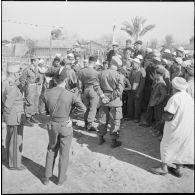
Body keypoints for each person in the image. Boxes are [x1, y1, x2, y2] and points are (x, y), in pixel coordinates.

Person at [41, 70, 86, 186]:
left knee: (51, 150)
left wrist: (50, 115)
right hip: (66, 125)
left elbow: (41, 111)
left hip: (52, 125)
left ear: (54, 80)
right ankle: (60, 179)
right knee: (64, 153)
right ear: (65, 80)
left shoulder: (47, 93)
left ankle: (46, 178)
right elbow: (83, 109)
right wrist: (70, 117)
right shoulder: (70, 94)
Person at [151, 77, 194, 177]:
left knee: (166, 145)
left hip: (175, 128)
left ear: (174, 87)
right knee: (181, 147)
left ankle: (163, 168)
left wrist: (162, 117)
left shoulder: (175, 98)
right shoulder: (188, 97)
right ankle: (178, 169)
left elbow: (168, 116)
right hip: (187, 128)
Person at [94, 56, 124, 148]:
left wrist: (102, 96)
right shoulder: (119, 75)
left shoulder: (101, 73)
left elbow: (96, 86)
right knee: (115, 121)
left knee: (102, 119)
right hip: (115, 102)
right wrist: (110, 98)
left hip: (103, 101)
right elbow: (119, 91)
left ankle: (100, 138)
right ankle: (113, 141)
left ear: (111, 63)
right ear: (117, 65)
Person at [2, 63, 26, 170]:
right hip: (14, 116)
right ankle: (15, 164)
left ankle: (9, 159)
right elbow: (8, 104)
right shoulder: (11, 87)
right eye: (18, 72)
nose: (19, 74)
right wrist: (6, 118)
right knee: (16, 141)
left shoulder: (6, 82)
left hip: (11, 116)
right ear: (14, 73)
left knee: (10, 139)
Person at [78, 56, 100, 131]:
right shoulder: (96, 73)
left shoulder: (82, 71)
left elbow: (79, 82)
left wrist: (80, 90)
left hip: (85, 90)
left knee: (87, 108)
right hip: (93, 90)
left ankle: (86, 124)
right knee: (93, 108)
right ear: (94, 63)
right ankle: (89, 125)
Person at [19, 57, 41, 126]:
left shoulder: (36, 69)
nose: (38, 62)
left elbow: (39, 76)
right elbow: (22, 80)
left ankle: (32, 116)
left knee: (35, 101)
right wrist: (23, 90)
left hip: (36, 86)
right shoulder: (27, 69)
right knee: (29, 102)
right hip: (29, 87)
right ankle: (27, 118)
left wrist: (39, 80)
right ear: (33, 61)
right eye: (37, 61)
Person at [126, 58, 145, 122]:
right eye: (132, 64)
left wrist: (138, 93)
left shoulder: (142, 71)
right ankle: (130, 116)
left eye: (134, 64)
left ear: (138, 64)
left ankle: (136, 118)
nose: (133, 65)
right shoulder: (132, 70)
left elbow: (142, 84)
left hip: (137, 91)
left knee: (137, 105)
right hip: (131, 90)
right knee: (130, 104)